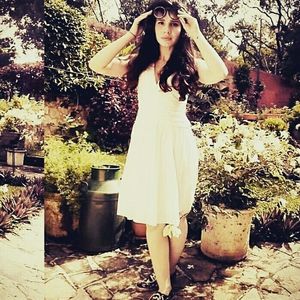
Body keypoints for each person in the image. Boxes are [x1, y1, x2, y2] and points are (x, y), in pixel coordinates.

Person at [89, 1, 228, 299]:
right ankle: (164, 284)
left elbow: (219, 72)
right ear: (152, 27)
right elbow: (96, 64)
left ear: (182, 28)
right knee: (153, 216)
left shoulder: (189, 65)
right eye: (161, 23)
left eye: (174, 24)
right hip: (147, 142)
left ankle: (166, 273)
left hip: (177, 141)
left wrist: (199, 35)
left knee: (177, 215)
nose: (167, 30)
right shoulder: (139, 62)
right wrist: (129, 35)